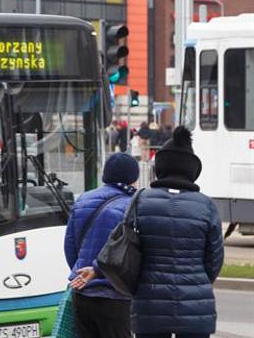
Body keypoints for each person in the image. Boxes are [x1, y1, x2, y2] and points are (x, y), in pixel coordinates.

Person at [75, 126, 224, 338]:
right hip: (196, 306)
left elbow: (120, 244)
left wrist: (97, 268)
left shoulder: (141, 200)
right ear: (192, 171)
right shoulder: (206, 206)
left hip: (150, 301)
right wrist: (197, 281)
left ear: (159, 167)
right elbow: (215, 260)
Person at [64, 152, 138, 338]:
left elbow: (70, 248)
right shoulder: (131, 206)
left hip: (82, 293)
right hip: (115, 296)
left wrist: (81, 270)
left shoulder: (83, 200)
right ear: (132, 178)